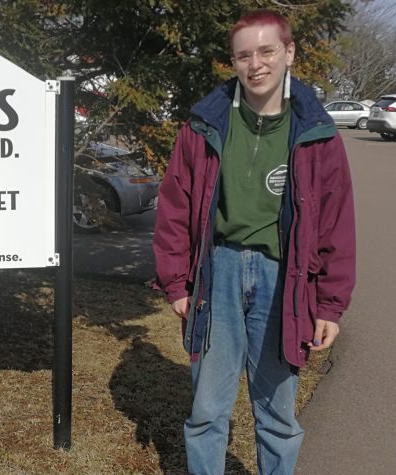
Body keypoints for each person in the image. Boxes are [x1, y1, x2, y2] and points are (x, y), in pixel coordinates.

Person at [152, 9, 356, 475]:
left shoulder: (317, 135)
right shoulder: (204, 126)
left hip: (283, 279)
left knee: (278, 414)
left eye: (266, 51)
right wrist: (177, 283)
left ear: (289, 53)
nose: (255, 64)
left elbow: (337, 224)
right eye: (243, 55)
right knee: (207, 410)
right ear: (234, 61)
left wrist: (329, 305)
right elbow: (174, 207)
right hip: (217, 273)